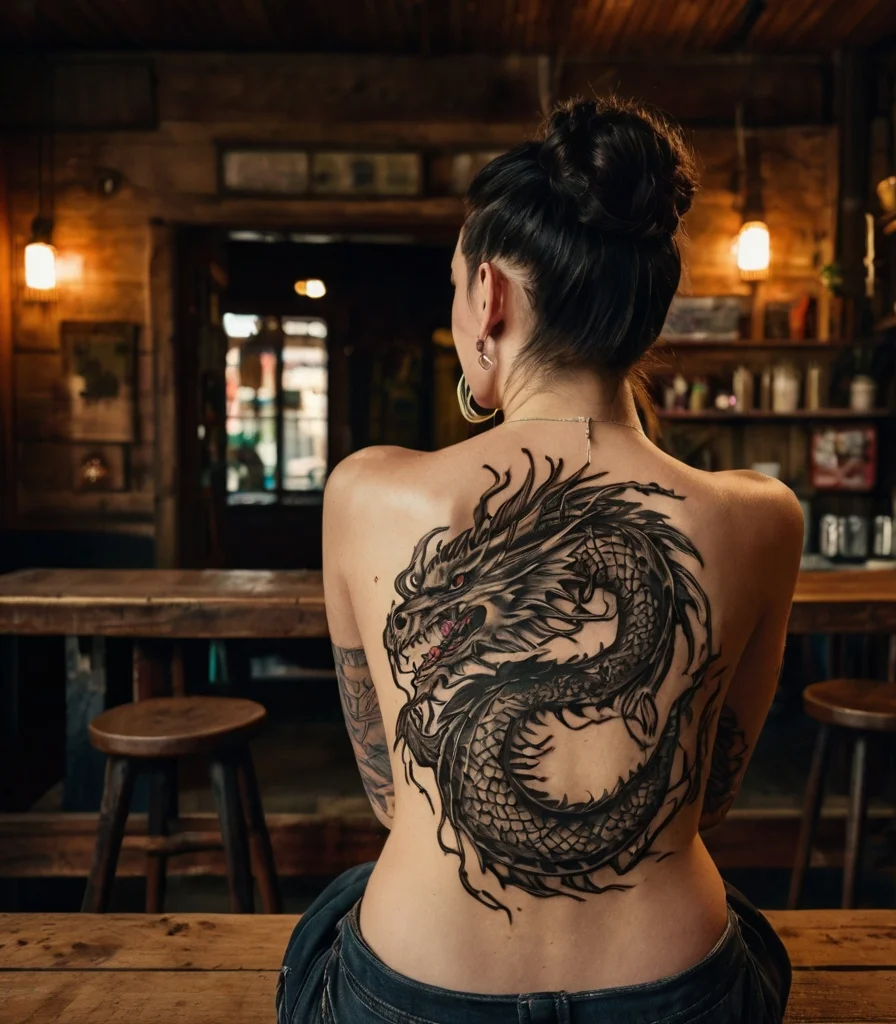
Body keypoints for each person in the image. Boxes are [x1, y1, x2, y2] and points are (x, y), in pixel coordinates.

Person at [279, 96, 803, 1024]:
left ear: (491, 296)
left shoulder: (367, 491)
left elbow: (394, 801)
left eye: (454, 289)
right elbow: (706, 802)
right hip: (674, 990)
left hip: (418, 989)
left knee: (326, 920)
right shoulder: (762, 516)